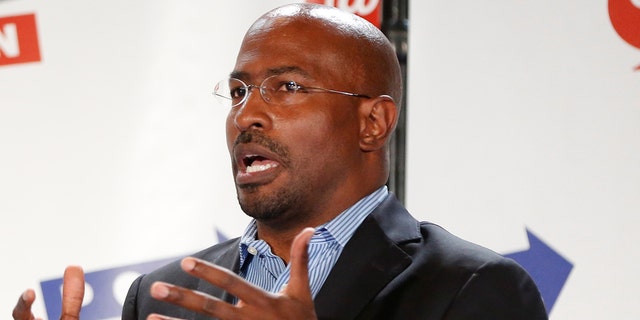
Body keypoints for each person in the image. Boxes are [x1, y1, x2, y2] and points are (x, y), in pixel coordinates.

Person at [12, 3, 548, 320]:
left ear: (373, 123)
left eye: (287, 87)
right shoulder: (164, 294)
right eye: (240, 90)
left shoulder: (471, 288)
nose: (249, 114)